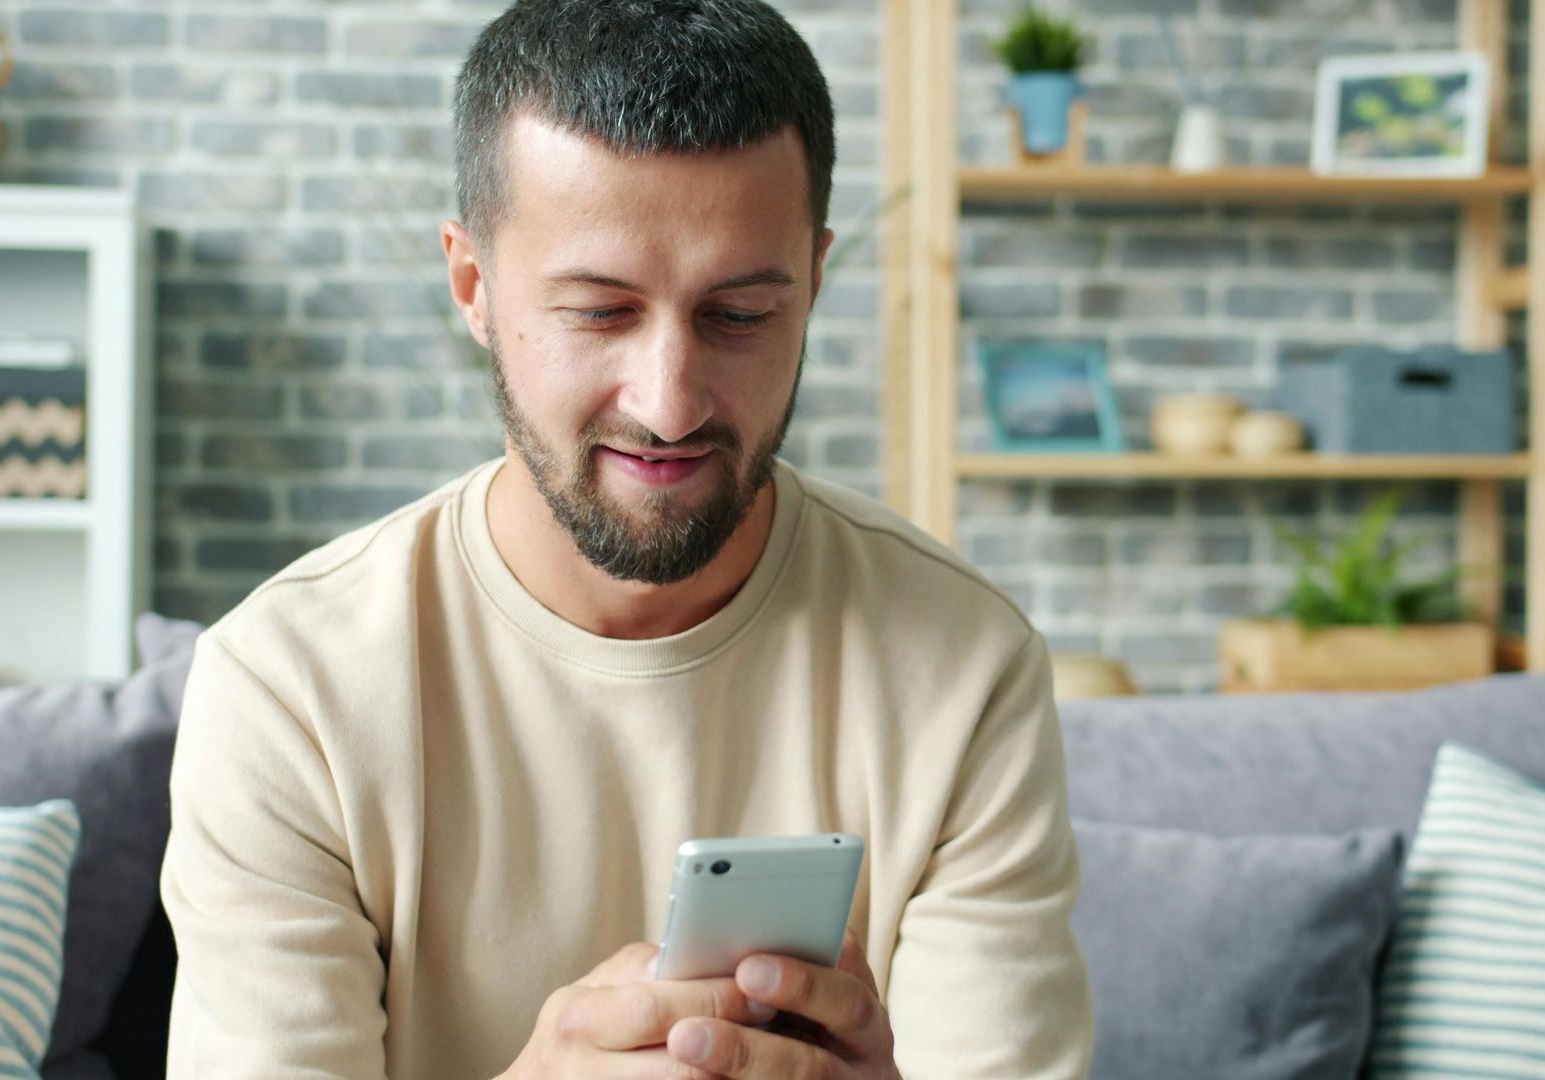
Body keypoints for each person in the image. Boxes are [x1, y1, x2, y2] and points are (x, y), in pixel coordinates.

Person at [157, 0, 1095, 1076]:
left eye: (739, 315)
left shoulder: (965, 668)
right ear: (473, 285)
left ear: (815, 284)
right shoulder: (289, 687)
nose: (670, 403)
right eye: (600, 312)